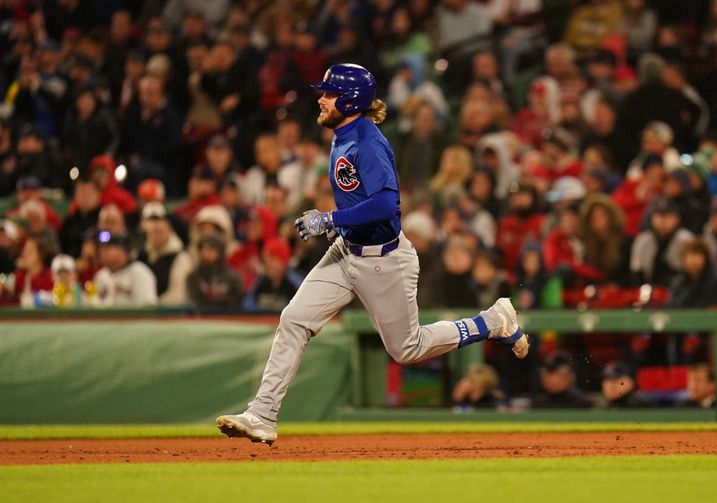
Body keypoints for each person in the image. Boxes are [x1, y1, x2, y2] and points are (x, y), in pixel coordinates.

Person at [216, 64, 529, 444]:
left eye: (329, 93)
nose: (321, 98)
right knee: (295, 317)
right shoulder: (344, 132)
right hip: (346, 250)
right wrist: (335, 224)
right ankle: (263, 413)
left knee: (406, 349)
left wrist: (329, 218)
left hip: (384, 259)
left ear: (349, 100)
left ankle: (491, 322)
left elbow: (385, 206)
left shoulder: (367, 141)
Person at [94, 232, 158, 307]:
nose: (103, 252)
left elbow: (148, 307)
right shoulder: (101, 276)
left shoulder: (139, 272)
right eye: (101, 249)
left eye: (108, 248)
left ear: (122, 250)